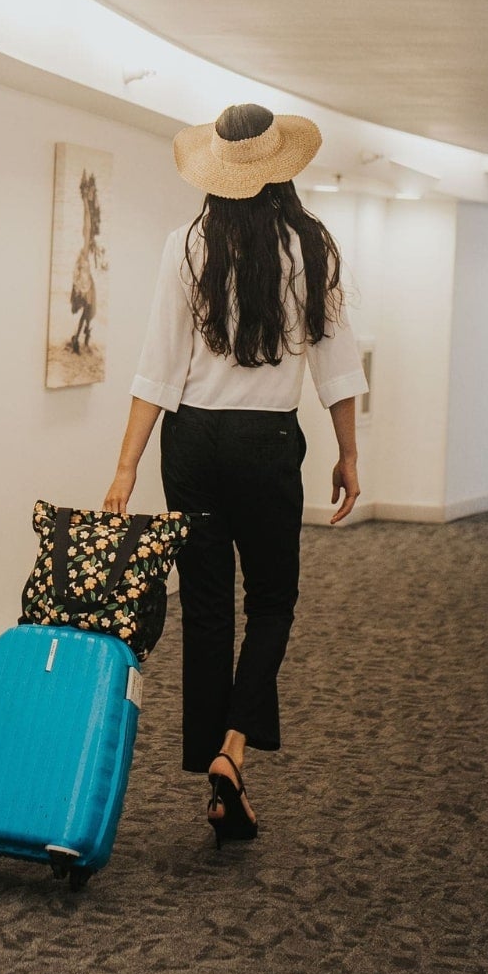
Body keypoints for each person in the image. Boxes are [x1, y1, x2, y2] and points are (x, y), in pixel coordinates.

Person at [103, 103, 367, 848]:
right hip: (265, 441)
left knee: (208, 607)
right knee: (274, 601)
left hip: (190, 441)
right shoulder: (309, 245)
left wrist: (125, 468)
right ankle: (233, 747)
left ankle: (214, 768)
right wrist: (348, 453)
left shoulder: (188, 243)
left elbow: (157, 366)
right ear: (281, 168)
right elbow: (335, 364)